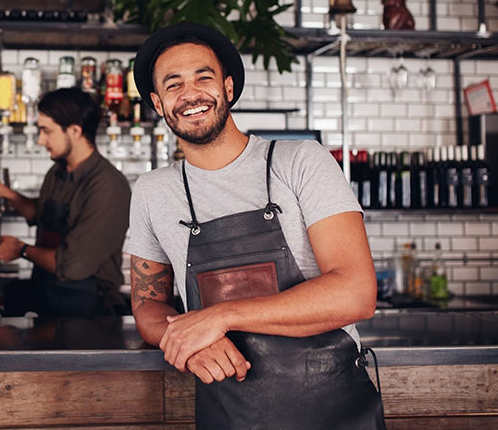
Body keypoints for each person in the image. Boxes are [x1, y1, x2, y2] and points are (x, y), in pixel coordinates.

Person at [125, 22, 387, 429]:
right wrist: (183, 342)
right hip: (228, 413)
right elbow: (146, 305)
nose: (190, 94)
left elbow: (356, 293)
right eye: (173, 85)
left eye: (203, 77)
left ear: (228, 88)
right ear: (158, 104)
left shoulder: (301, 161)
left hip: (333, 411)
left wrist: (219, 317)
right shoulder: (152, 191)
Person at [0, 87, 131, 318]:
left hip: (88, 310)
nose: (40, 140)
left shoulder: (108, 187)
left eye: (46, 131)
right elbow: (41, 214)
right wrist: (5, 193)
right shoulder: (57, 172)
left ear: (75, 131)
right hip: (50, 297)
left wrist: (22, 250)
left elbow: (72, 266)